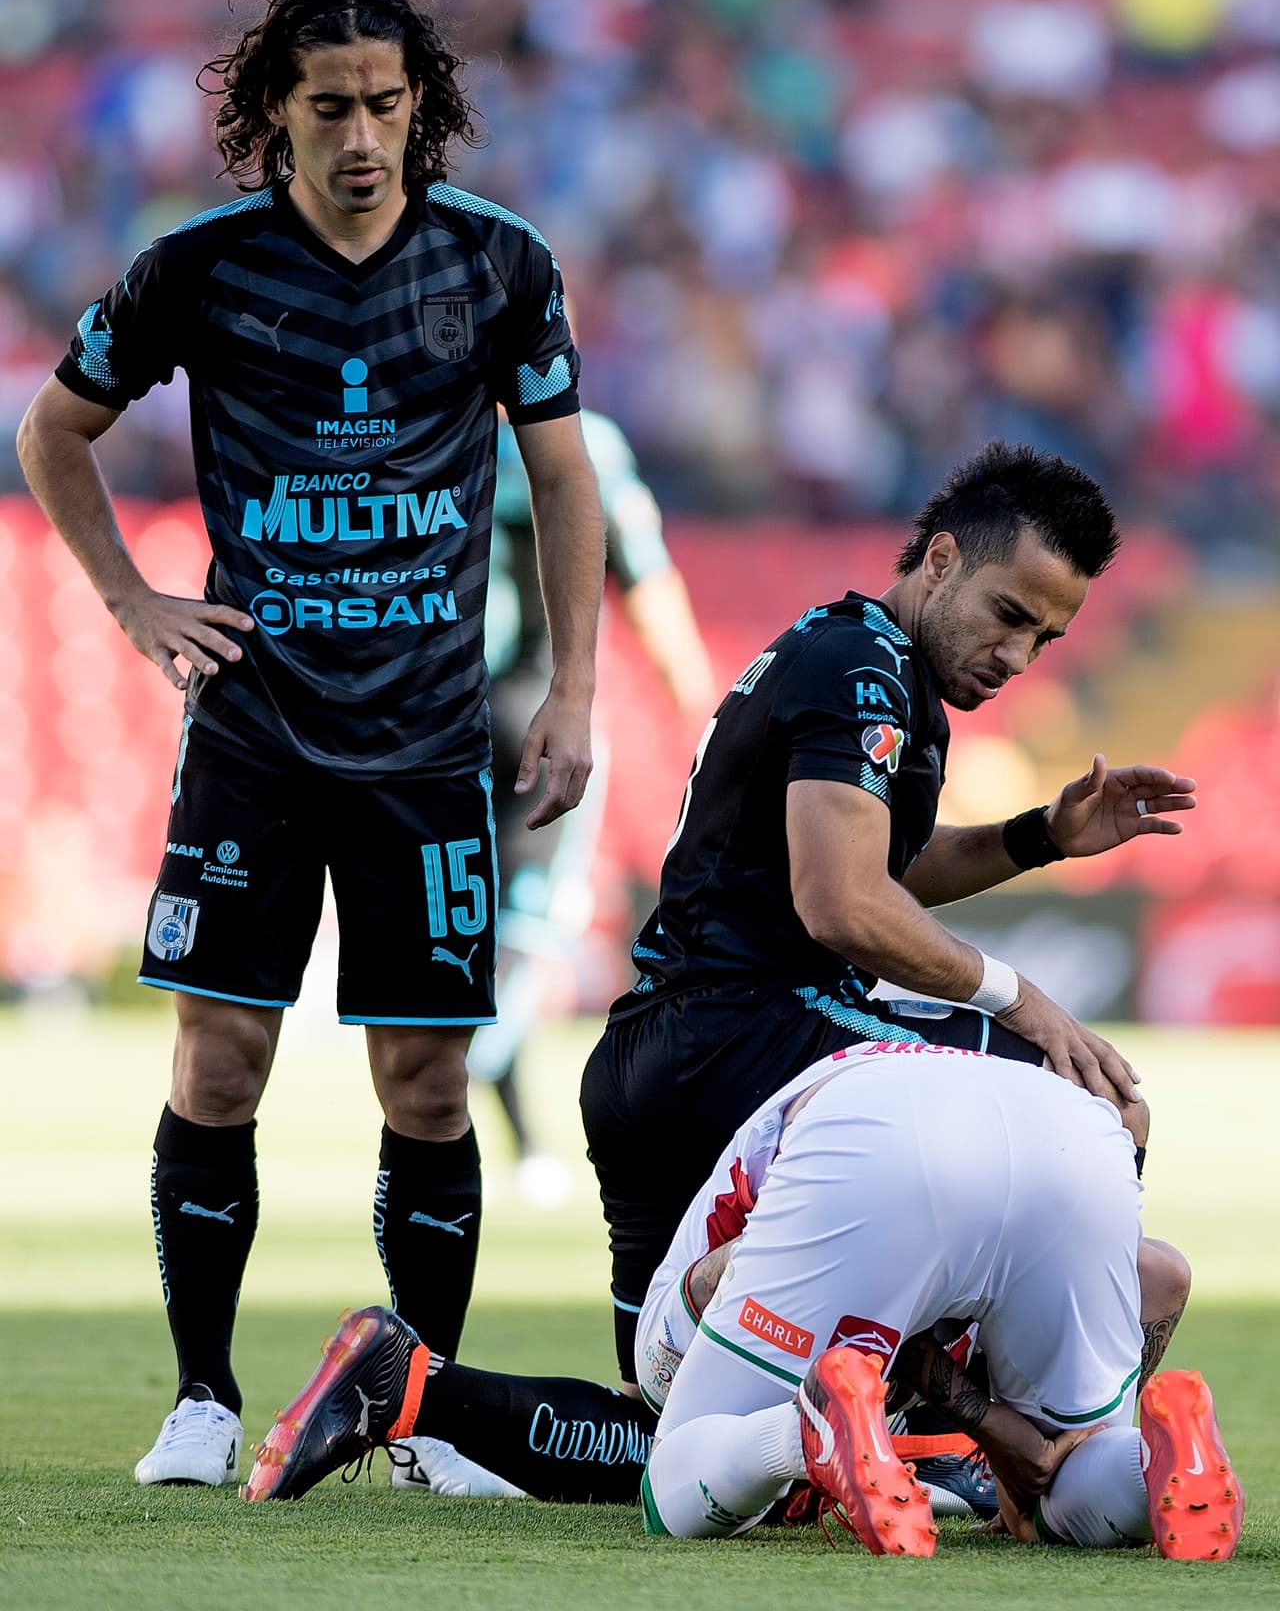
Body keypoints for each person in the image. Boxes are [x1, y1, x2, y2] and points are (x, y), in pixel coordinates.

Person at [16, 0, 605, 1488]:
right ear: (273, 108)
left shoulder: (501, 265)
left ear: (426, 110)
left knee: (425, 1081)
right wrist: (138, 604)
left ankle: (427, 1416)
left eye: (388, 106)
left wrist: (575, 692)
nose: (362, 137)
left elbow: (564, 485)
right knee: (220, 1067)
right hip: (256, 737)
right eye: (331, 106)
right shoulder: (199, 268)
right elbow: (53, 430)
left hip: (426, 742)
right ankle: (203, 1396)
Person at [579, 441, 1196, 1403]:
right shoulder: (862, 669)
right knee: (1100, 1106)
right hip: (750, 1033)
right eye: (1008, 616)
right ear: (941, 560)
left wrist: (1041, 835)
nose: (1019, 658)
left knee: (666, 1413)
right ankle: (1018, 1431)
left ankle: (412, 1386)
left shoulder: (862, 657)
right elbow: (845, 903)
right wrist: (1022, 999)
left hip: (658, 1057)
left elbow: (881, 864)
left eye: (1045, 639)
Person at [238, 1042, 1241, 1566]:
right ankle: (1155, 1452)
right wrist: (996, 1429)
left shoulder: (886, 1093)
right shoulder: (1088, 1176)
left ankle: (804, 1435)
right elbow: (720, 1277)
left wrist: (982, 1433)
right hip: (1060, 1159)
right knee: (672, 1419)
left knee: (686, 1475)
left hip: (868, 1222)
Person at [467, 409, 715, 1206]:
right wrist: (703, 711)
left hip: (433, 720)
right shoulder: (589, 443)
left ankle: (513, 1132)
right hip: (548, 715)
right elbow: (645, 577)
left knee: (470, 932)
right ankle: (454, 1077)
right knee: (528, 932)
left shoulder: (426, 423)